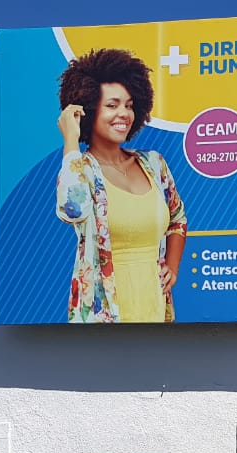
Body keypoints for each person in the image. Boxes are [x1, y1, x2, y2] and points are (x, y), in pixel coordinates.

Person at [56, 48, 187, 324]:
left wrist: (172, 267)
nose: (124, 114)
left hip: (154, 310)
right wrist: (71, 140)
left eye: (129, 105)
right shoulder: (82, 169)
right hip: (103, 320)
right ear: (89, 110)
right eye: (112, 105)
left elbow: (177, 219)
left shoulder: (154, 164)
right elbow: (72, 209)